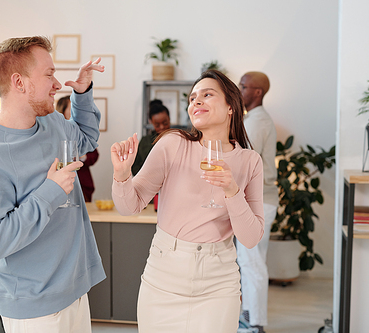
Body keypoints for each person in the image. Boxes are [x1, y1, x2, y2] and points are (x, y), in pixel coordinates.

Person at [0, 36, 106, 333]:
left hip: (76, 290)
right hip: (34, 307)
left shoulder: (53, 123)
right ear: (19, 82)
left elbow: (87, 139)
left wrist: (83, 95)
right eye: (49, 74)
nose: (57, 84)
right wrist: (51, 191)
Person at [110, 69, 265, 333]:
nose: (196, 101)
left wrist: (231, 190)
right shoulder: (173, 144)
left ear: (231, 106)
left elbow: (250, 239)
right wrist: (122, 174)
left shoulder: (250, 162)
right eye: (193, 98)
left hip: (219, 283)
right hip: (163, 277)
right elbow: (129, 206)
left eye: (207, 94)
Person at [237, 71, 278, 333]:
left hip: (259, 201)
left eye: (243, 86)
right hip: (263, 200)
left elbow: (243, 162)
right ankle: (251, 318)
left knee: (251, 263)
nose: (239, 90)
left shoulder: (256, 122)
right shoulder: (255, 119)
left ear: (257, 92)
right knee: (252, 261)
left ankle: (255, 323)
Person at [56, 95, 99, 202]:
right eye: (72, 108)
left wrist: (81, 156)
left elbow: (94, 155)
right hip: (59, 184)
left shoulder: (81, 131)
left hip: (82, 184)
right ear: (63, 110)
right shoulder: (54, 131)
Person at [131, 99, 171, 176]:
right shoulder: (145, 142)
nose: (162, 127)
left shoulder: (179, 139)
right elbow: (135, 168)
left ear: (169, 119)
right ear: (151, 122)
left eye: (165, 123)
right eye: (157, 125)